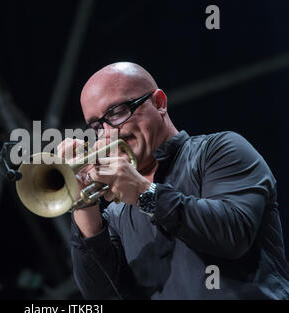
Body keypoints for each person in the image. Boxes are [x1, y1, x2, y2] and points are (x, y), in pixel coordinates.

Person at [57, 62, 289, 299]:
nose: (108, 133)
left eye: (117, 112)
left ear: (159, 103)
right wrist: (83, 206)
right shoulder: (116, 213)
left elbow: (233, 235)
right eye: (97, 126)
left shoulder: (220, 150)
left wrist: (143, 194)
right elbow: (104, 296)